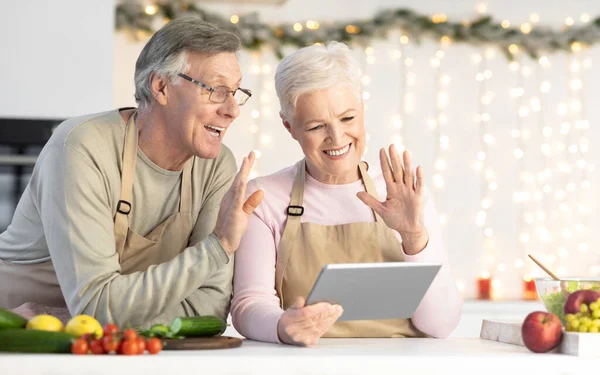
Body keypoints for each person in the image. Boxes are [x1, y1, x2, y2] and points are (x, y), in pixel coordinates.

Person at [0, 15, 263, 327]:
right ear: (161, 87)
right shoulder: (82, 147)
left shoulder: (217, 165)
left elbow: (208, 309)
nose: (232, 109)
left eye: (236, 92)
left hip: (106, 339)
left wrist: (78, 317)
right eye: (217, 90)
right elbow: (96, 305)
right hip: (18, 335)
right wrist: (217, 246)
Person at [231, 41, 462, 346]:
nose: (337, 137)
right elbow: (248, 304)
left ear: (362, 110)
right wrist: (282, 326)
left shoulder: (404, 194)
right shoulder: (265, 197)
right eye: (316, 126)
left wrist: (414, 237)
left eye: (347, 118)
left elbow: (440, 325)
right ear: (289, 126)